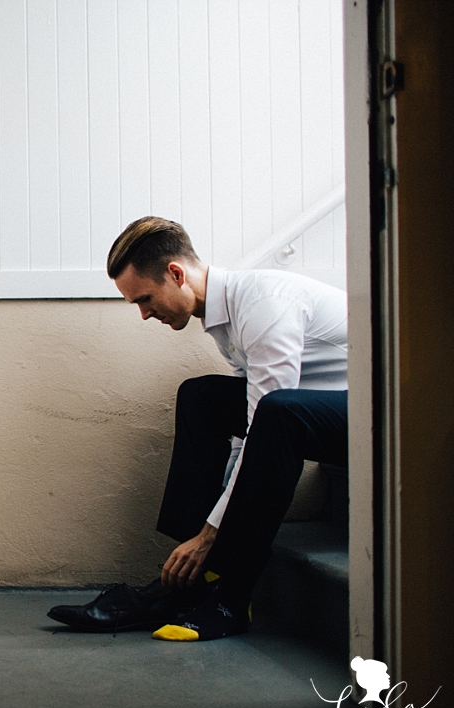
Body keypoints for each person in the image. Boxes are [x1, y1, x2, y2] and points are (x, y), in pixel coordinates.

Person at [48, 216, 348, 641]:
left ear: (176, 273)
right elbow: (248, 434)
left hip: (385, 420)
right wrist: (205, 531)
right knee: (201, 396)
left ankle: (231, 595)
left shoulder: (264, 304)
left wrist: (212, 534)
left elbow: (266, 424)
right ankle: (186, 584)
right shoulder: (224, 321)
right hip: (318, 415)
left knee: (279, 412)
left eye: (145, 299)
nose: (144, 314)